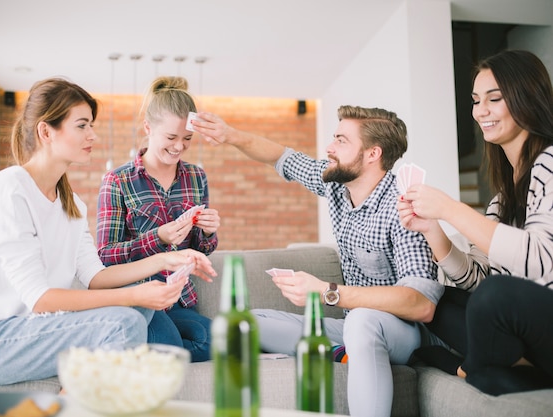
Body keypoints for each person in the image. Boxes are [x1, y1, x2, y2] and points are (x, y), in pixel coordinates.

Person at [0, 78, 216, 385]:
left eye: (91, 125)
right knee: (125, 321)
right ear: (46, 132)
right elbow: (40, 299)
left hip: (28, 330)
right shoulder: (10, 188)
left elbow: (96, 278)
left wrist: (165, 261)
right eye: (82, 125)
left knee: (134, 309)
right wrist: (135, 293)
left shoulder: (72, 205)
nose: (92, 135)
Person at [192, 105, 444, 417]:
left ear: (372, 154)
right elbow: (280, 156)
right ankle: (341, 353)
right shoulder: (336, 184)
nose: (329, 148)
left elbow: (421, 304)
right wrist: (230, 135)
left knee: (364, 320)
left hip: (403, 333)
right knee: (249, 322)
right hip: (352, 328)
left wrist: (328, 290)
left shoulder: (404, 206)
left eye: (341, 140)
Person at [397, 49, 553, 396]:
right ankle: (502, 370)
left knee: (496, 297)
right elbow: (478, 280)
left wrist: (452, 208)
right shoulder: (503, 196)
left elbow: (541, 261)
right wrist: (433, 229)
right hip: (521, 331)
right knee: (433, 300)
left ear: (527, 97)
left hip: (545, 318)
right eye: (475, 100)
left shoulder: (550, 164)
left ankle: (475, 368)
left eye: (494, 99)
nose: (480, 111)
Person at [97, 76, 219, 363]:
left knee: (217, 344)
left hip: (178, 300)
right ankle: (137, 343)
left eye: (187, 139)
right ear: (148, 128)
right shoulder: (118, 180)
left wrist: (208, 233)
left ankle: (133, 349)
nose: (179, 147)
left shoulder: (196, 177)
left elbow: (201, 251)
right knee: (171, 350)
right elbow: (105, 255)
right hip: (136, 297)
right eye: (171, 138)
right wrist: (158, 238)